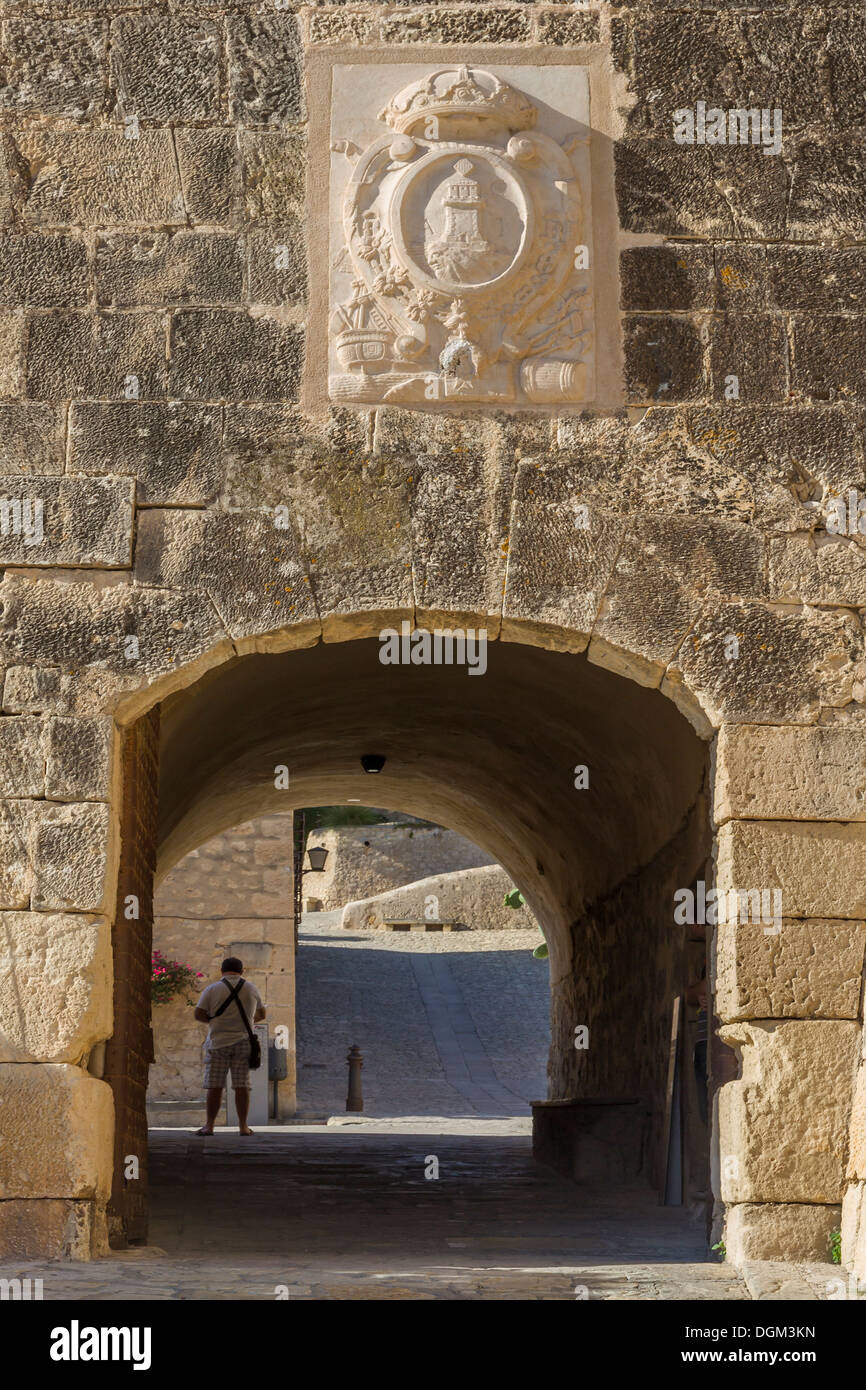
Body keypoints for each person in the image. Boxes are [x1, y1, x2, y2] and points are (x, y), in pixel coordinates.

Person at [193, 957, 265, 1136]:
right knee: (242, 1085)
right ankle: (243, 1126)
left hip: (218, 1042)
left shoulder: (212, 989)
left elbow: (198, 1013)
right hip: (243, 1042)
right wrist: (248, 1021)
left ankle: (209, 1126)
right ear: (242, 971)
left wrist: (213, 1021)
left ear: (221, 970)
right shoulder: (251, 988)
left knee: (215, 1086)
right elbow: (262, 1013)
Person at [686, 964, 708, 1126]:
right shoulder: (710, 962)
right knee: (707, 1105)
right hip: (705, 1044)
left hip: (720, 1042)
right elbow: (689, 995)